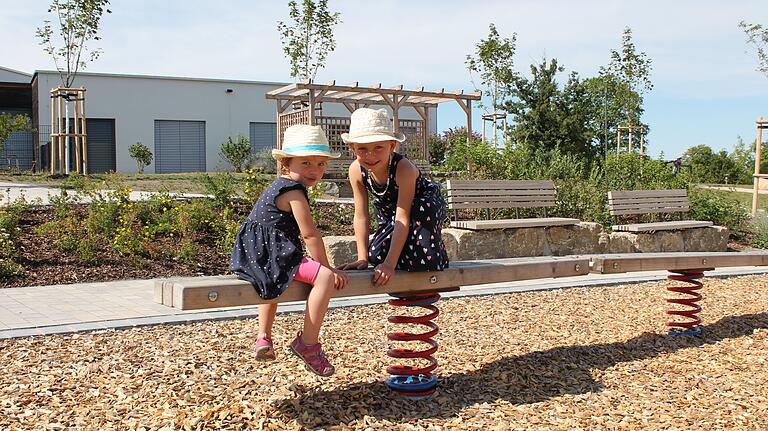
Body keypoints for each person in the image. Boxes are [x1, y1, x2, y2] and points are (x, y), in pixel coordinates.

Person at [230, 124, 349, 377]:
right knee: (324, 278)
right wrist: (327, 268)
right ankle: (308, 344)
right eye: (306, 163)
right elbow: (309, 234)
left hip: (257, 255)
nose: (315, 170)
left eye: (320, 164)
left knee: (269, 282)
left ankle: (263, 336)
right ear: (286, 162)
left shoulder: (279, 184)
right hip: (273, 254)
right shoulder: (293, 191)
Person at [337, 108, 449, 285]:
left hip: (421, 210)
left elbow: (403, 216)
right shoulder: (356, 171)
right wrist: (362, 258)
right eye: (362, 149)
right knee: (376, 254)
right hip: (391, 212)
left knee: (420, 258)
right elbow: (361, 216)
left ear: (391, 145)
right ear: (352, 148)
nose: (370, 155)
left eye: (378, 147)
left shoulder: (403, 169)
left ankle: (431, 256)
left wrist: (389, 264)